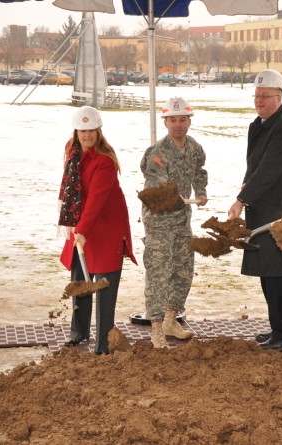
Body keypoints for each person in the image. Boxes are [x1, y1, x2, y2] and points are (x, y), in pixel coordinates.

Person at [227, 68, 282, 351]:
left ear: (280, 97)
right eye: (257, 96)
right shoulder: (259, 125)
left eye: (266, 96)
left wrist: (241, 199)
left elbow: (269, 172)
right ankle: (279, 328)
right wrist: (247, 185)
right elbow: (256, 168)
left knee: (279, 276)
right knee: (269, 275)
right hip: (266, 211)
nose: (259, 101)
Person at [59, 106, 137, 355]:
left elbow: (96, 200)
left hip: (105, 229)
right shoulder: (71, 151)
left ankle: (103, 343)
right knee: (80, 282)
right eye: (82, 130)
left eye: (91, 130)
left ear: (98, 131)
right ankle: (78, 331)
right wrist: (77, 229)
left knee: (103, 289)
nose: (86, 135)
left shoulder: (105, 161)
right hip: (81, 226)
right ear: (76, 131)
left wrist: (80, 231)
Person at [140, 97, 208, 349]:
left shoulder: (194, 148)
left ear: (189, 121)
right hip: (158, 222)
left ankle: (171, 318)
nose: (178, 125)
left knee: (183, 270)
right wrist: (172, 196)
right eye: (173, 120)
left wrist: (200, 192)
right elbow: (153, 184)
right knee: (158, 273)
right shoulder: (158, 153)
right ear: (165, 122)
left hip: (181, 221)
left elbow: (200, 170)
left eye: (182, 120)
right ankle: (156, 328)